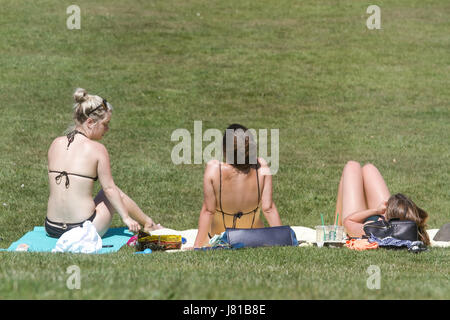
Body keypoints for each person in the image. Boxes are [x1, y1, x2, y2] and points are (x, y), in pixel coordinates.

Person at [45, 88, 162, 238]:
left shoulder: (55, 143)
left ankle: (149, 223)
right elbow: (109, 189)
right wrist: (126, 218)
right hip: (82, 230)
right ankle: (149, 224)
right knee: (111, 192)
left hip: (51, 227)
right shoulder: (97, 149)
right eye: (105, 124)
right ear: (90, 122)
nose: (107, 129)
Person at [193, 124, 282, 248]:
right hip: (253, 237)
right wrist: (282, 240)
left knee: (209, 208)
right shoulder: (261, 167)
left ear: (224, 150)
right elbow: (269, 208)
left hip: (220, 238)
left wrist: (197, 246)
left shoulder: (214, 169)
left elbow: (208, 211)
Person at [334, 161, 430, 245]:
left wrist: (376, 211)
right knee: (369, 168)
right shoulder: (409, 229)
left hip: (358, 220)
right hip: (387, 219)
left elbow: (348, 221)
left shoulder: (376, 230)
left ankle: (336, 227)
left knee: (352, 166)